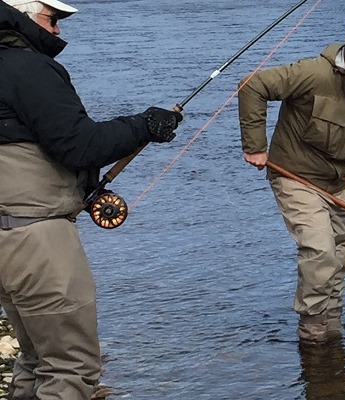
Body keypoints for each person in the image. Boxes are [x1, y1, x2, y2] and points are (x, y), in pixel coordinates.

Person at [0, 0, 183, 398]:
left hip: (7, 239)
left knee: (34, 359)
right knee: (70, 368)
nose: (57, 30)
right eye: (53, 19)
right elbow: (81, 146)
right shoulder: (26, 67)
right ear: (23, 15)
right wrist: (145, 125)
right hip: (35, 239)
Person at [238, 17, 345, 345]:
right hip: (295, 178)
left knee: (339, 258)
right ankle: (312, 336)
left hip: (337, 185)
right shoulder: (313, 73)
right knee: (320, 251)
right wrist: (255, 146)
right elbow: (252, 86)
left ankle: (332, 333)